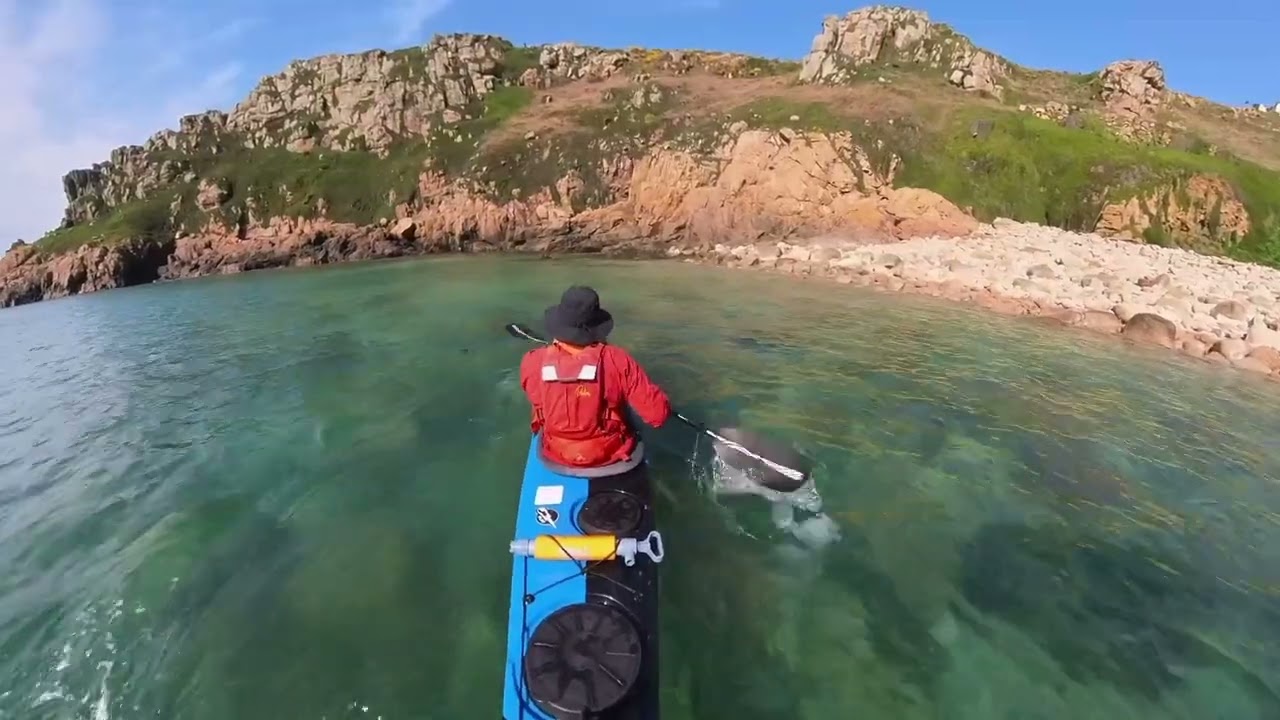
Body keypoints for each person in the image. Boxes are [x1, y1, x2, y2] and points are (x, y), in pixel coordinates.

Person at [519, 286, 671, 476]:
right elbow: (658, 415)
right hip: (609, 455)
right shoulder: (617, 359)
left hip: (556, 453)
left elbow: (537, 399)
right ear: (596, 327)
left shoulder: (532, 360)